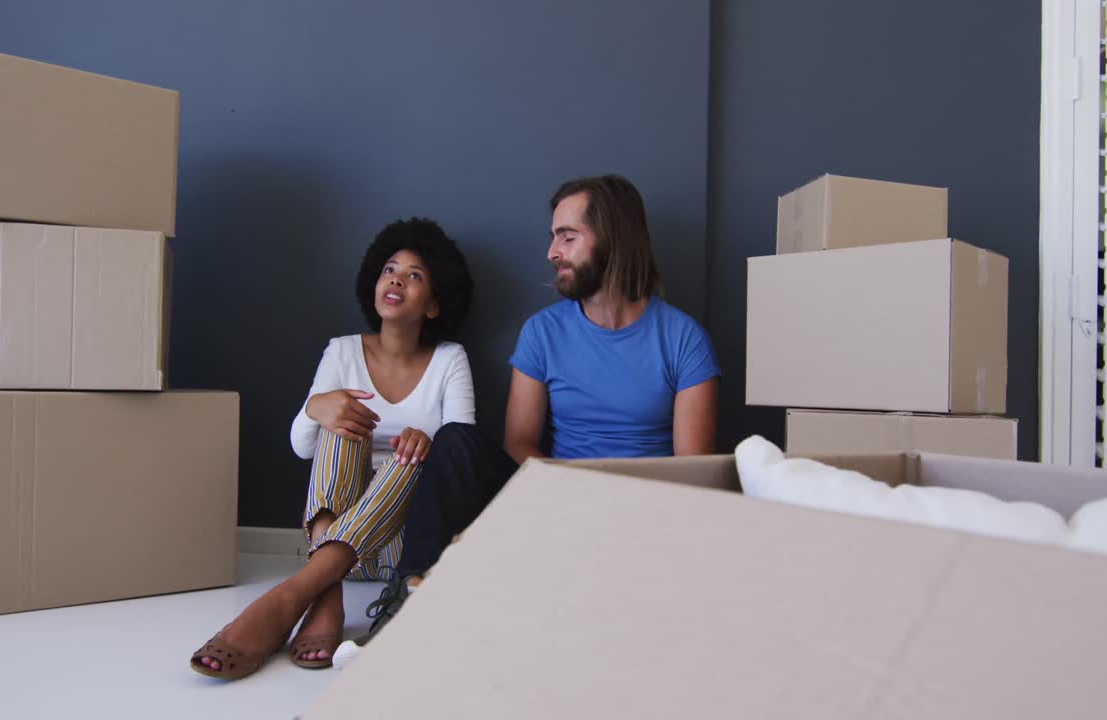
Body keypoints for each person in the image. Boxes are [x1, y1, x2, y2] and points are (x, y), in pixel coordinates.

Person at [334, 174, 720, 664]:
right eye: (553, 236)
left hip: (644, 515)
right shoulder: (543, 332)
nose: (552, 252)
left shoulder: (683, 339)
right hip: (555, 498)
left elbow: (692, 470)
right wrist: (571, 494)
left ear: (615, 239)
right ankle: (403, 608)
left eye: (568, 236)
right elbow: (518, 442)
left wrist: (616, 505)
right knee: (457, 439)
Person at [190, 217, 475, 680]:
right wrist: (316, 408)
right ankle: (326, 592)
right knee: (340, 425)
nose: (396, 279)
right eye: (389, 269)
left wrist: (432, 443)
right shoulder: (342, 351)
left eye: (415, 275)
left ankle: (292, 594)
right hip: (341, 541)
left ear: (435, 305)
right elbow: (303, 447)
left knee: (415, 454)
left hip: (403, 549)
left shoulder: (449, 360)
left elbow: (462, 459)